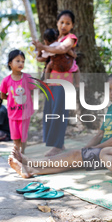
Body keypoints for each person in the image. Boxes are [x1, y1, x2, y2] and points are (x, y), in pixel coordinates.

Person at [8, 73, 112, 178]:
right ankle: (30, 169)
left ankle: (30, 162)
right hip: (104, 150)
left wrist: (94, 148)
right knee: (75, 159)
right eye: (110, 89)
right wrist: (86, 148)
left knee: (75, 156)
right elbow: (100, 134)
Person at [32, 10, 80, 157]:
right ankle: (57, 144)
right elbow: (41, 57)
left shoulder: (70, 38)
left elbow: (62, 49)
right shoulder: (54, 40)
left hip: (64, 83)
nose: (64, 25)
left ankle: (57, 146)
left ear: (72, 26)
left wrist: (43, 47)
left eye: (68, 23)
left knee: (59, 114)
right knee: (51, 113)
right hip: (52, 83)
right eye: (61, 22)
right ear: (57, 23)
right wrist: (40, 50)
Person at [0, 49, 35, 154]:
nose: (21, 63)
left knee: (24, 135)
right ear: (10, 63)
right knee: (15, 136)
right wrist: (12, 98)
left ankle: (22, 152)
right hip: (13, 114)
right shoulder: (6, 80)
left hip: (25, 113)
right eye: (18, 61)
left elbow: (33, 90)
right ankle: (17, 153)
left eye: (23, 61)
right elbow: (2, 95)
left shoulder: (27, 77)